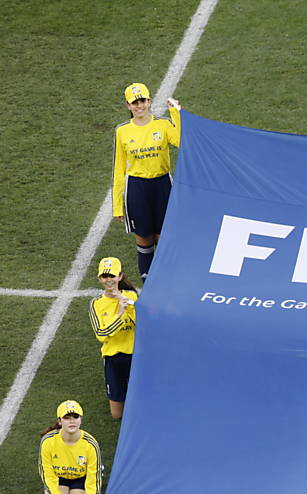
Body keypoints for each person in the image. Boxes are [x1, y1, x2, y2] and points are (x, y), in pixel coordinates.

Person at [112, 82, 182, 282]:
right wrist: (118, 206)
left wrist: (176, 113)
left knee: (165, 237)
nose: (139, 105)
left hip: (162, 185)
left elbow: (182, 141)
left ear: (149, 101)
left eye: (142, 100)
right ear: (128, 105)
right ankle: (148, 283)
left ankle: (169, 281)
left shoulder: (163, 124)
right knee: (144, 238)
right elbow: (118, 169)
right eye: (135, 102)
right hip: (137, 188)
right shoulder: (122, 131)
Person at [38, 401, 103, 494]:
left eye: (75, 417)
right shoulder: (48, 441)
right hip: (59, 479)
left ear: (81, 420)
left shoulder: (90, 445)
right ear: (60, 421)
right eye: (67, 418)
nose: (71, 421)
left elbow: (93, 482)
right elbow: (48, 477)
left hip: (80, 479)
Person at [89, 257, 138, 420]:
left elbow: (140, 323)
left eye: (112, 275)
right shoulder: (96, 303)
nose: (108, 280)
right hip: (112, 358)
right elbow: (101, 335)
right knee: (117, 415)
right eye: (104, 276)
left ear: (120, 276)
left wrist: (128, 307)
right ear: (99, 279)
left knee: (139, 402)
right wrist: (120, 314)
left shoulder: (131, 295)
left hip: (134, 355)